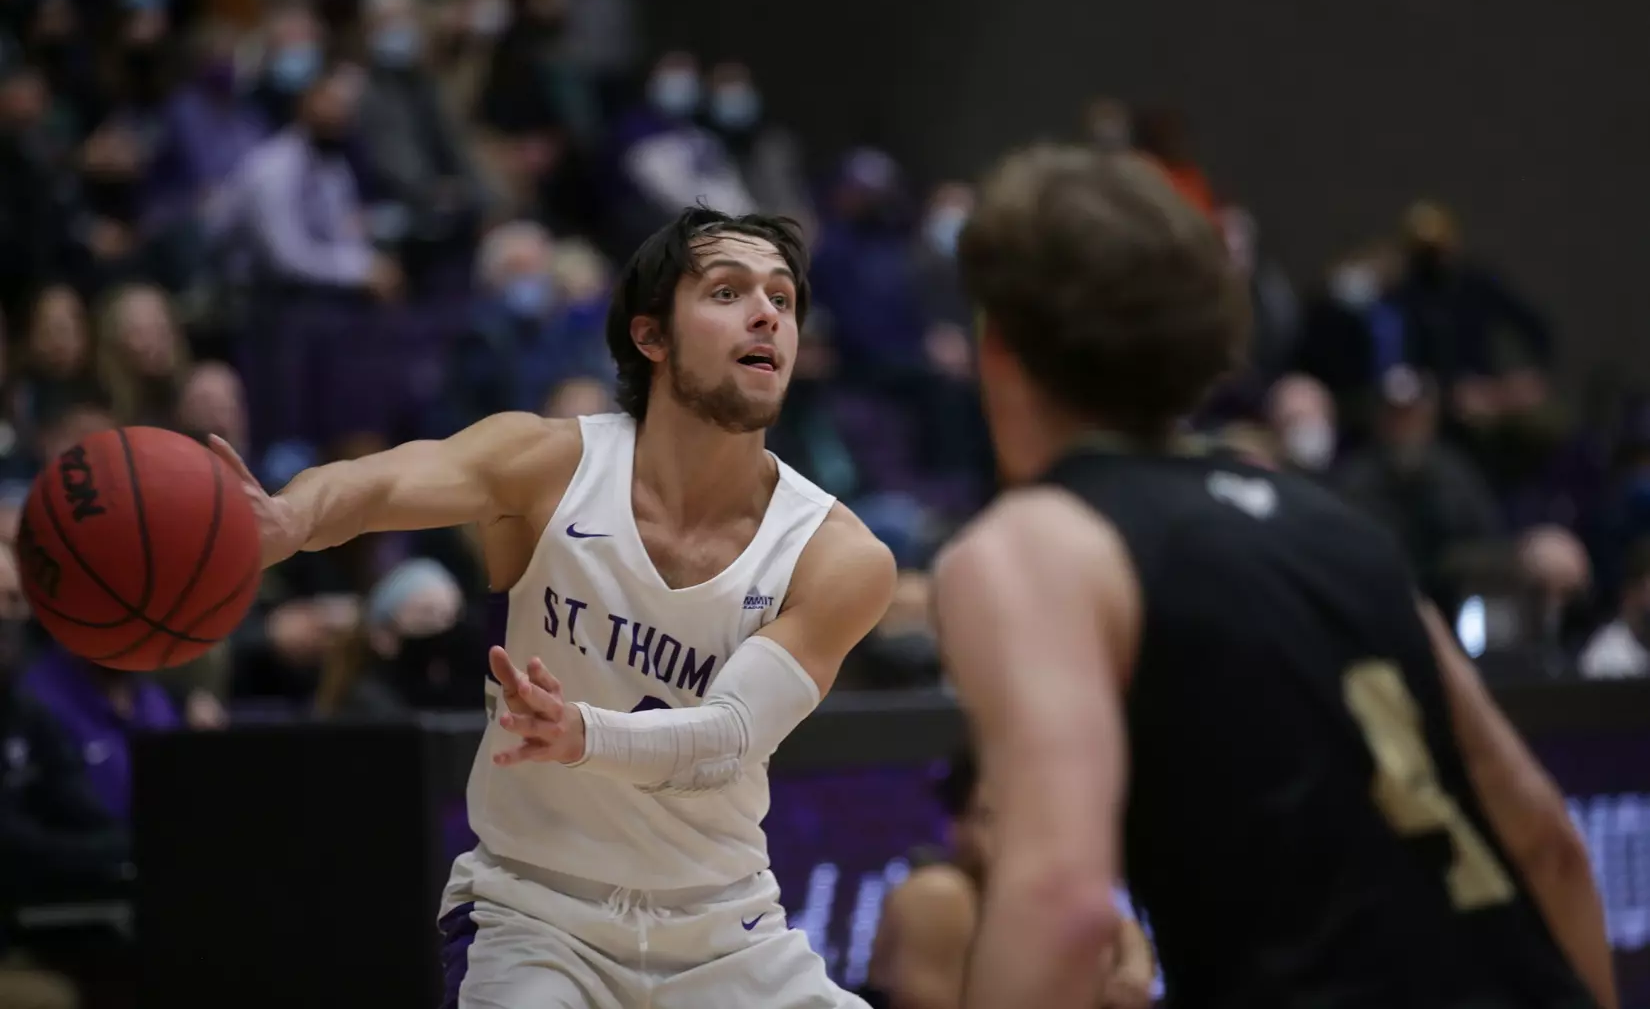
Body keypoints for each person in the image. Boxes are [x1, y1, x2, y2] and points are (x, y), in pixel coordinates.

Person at [931, 147, 1615, 1009]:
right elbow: (1547, 839)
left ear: (998, 347)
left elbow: (1063, 907)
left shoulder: (1036, 542)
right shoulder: (1335, 525)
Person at [214, 207, 896, 1008]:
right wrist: (291, 521)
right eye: (726, 291)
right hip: (536, 918)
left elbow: (729, 738)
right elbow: (379, 483)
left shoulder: (838, 554)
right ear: (652, 338)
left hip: (726, 934)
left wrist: (580, 735)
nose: (766, 315)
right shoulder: (547, 465)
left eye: (782, 298)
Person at [861, 745, 1156, 1009]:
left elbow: (1118, 932)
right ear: (957, 829)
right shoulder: (939, 895)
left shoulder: (1058, 901)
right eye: (992, 818)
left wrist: (1133, 959)